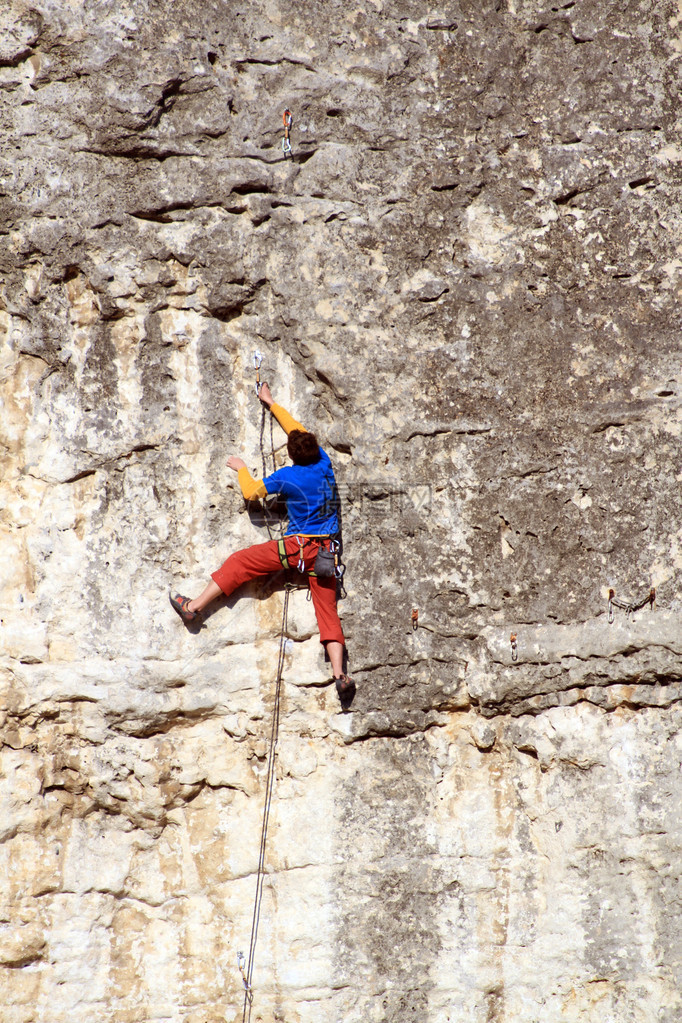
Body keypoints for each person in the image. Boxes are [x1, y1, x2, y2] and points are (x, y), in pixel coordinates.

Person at [170, 382, 354, 701]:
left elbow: (252, 493)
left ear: (292, 455)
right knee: (328, 612)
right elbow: (296, 428)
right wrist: (271, 403)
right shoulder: (324, 463)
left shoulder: (289, 477)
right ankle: (340, 675)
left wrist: (242, 469)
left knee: (240, 562)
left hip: (297, 549)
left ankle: (194, 607)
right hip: (327, 554)